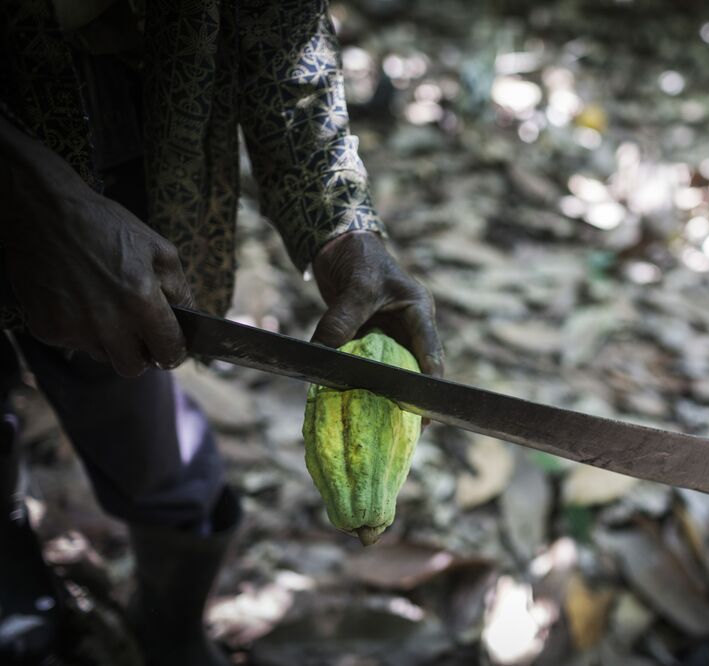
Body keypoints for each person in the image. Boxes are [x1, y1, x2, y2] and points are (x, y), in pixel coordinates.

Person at [0, 1, 443, 664]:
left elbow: (283, 29)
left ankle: (169, 623)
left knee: (143, 420)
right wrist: (25, 191)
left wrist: (341, 222)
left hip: (118, 135)